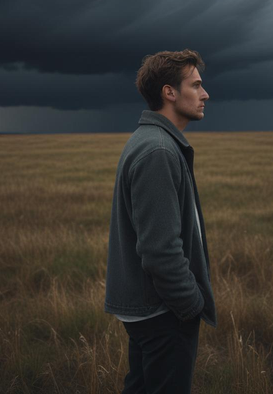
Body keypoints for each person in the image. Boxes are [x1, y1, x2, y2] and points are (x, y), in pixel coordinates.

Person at [104, 49, 217, 394]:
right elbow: (159, 250)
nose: (205, 94)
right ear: (169, 92)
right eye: (195, 85)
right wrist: (191, 304)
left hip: (150, 310)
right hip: (163, 312)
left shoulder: (153, 142)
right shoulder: (158, 151)